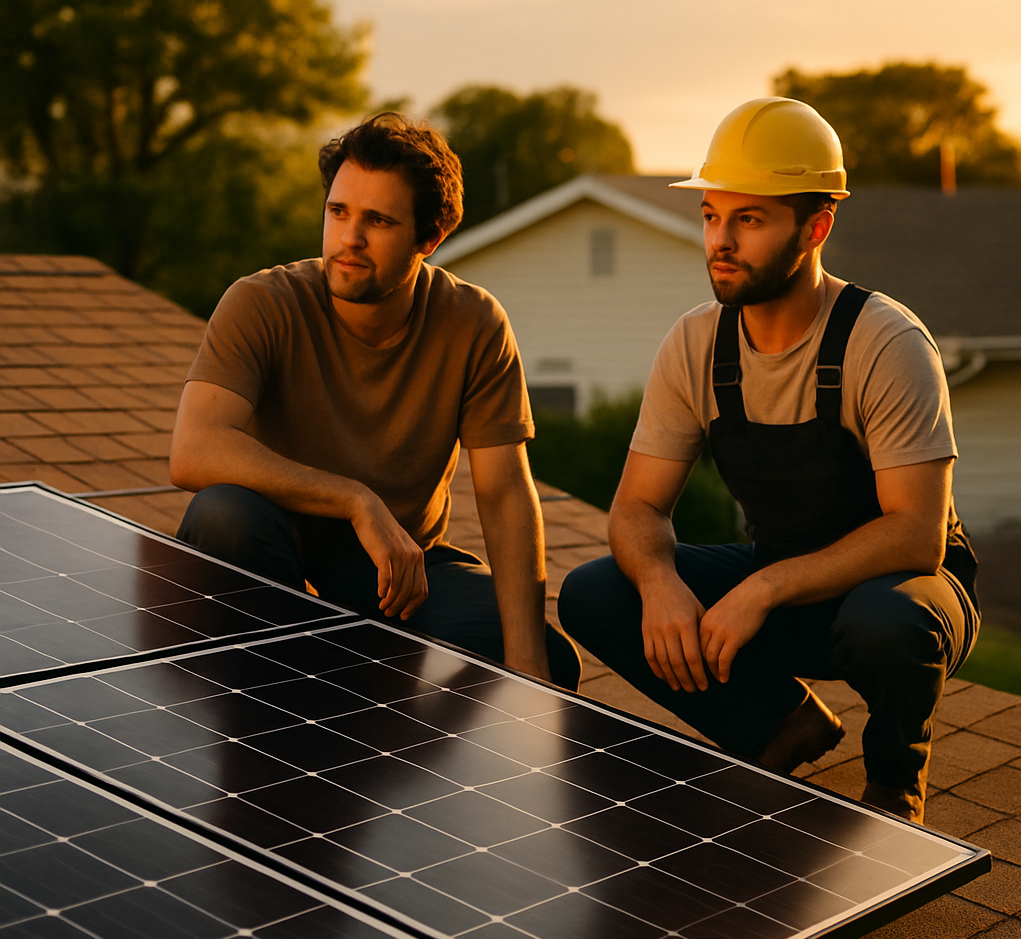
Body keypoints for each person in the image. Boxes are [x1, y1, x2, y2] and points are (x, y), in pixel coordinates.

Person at [558, 98, 979, 821]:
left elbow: (917, 534)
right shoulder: (695, 345)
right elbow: (636, 507)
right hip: (786, 582)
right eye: (712, 215)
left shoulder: (883, 341)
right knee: (595, 592)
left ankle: (893, 784)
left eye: (748, 219)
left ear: (816, 226)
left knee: (886, 624)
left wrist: (762, 589)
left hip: (907, 594)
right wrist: (660, 583)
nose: (720, 240)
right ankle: (782, 726)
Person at [169, 112, 580, 689]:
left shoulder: (474, 323)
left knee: (549, 662)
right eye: (338, 212)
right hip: (273, 538)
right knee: (223, 515)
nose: (349, 239)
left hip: (393, 572)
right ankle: (293, 687)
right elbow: (193, 450)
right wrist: (356, 500)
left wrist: (526, 667)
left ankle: (334, 670)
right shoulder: (261, 302)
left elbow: (506, 492)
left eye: (378, 221)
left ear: (428, 239)